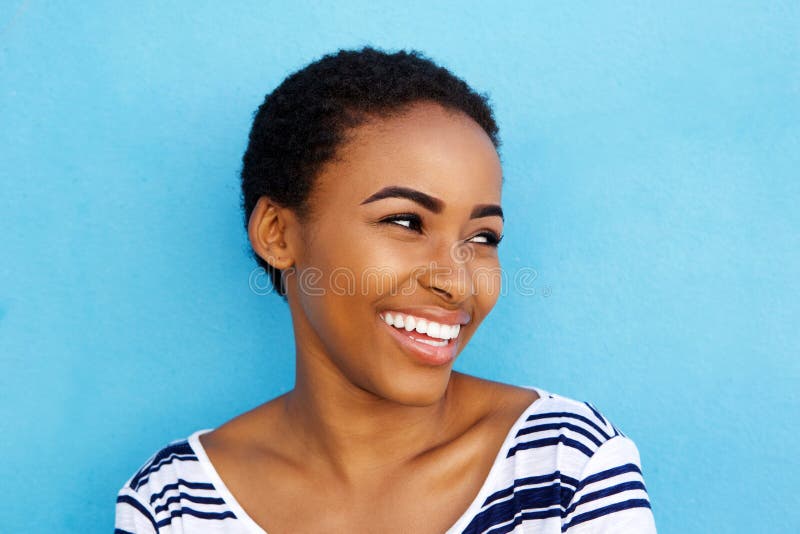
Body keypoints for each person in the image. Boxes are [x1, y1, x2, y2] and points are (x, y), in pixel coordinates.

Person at [115, 47, 657, 533]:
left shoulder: (565, 467)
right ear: (278, 234)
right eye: (404, 222)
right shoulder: (173, 504)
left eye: (482, 236)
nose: (456, 280)